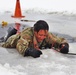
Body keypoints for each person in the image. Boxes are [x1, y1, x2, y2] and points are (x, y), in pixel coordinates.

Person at [1, 20, 69, 58]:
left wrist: (64, 45)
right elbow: (20, 45)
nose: (42, 37)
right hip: (11, 41)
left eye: (44, 35)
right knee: (5, 41)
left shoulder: (47, 35)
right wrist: (29, 51)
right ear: (35, 32)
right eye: (40, 35)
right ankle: (11, 32)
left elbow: (60, 40)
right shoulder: (28, 34)